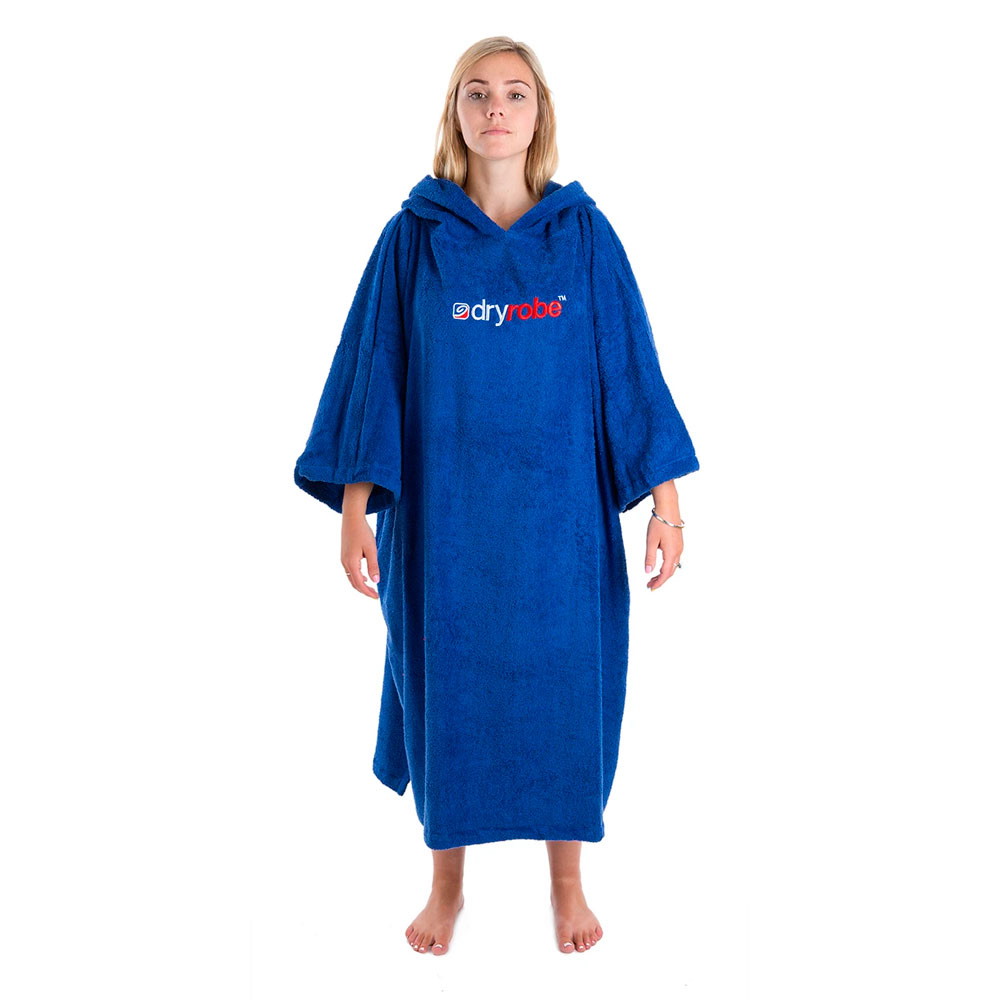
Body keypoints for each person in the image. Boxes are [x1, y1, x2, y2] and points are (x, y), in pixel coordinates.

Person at [293, 36, 700, 956]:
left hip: (561, 528)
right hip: (446, 525)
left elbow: (630, 374)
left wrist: (666, 505)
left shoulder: (582, 237)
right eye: (477, 93)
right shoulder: (416, 238)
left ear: (539, 113)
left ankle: (568, 882)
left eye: (515, 93)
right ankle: (448, 886)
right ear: (457, 114)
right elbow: (374, 374)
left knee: (566, 692)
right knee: (447, 692)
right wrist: (355, 510)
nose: (496, 109)